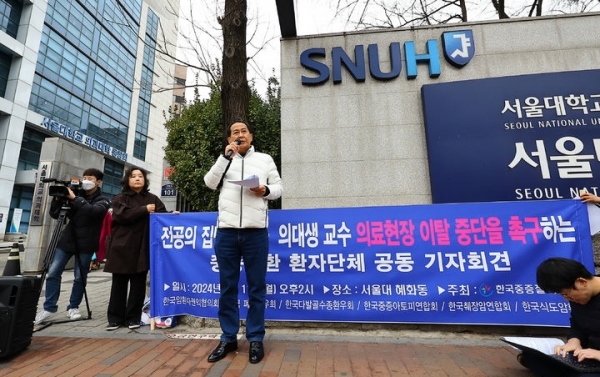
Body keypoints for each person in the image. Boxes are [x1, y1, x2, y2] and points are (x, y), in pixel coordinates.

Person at [203, 120, 283, 364]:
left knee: (257, 287)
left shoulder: (265, 159)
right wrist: (225, 158)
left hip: (255, 233)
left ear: (251, 135)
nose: (239, 135)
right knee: (227, 287)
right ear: (230, 139)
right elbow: (209, 182)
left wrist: (265, 189)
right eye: (235, 132)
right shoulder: (225, 159)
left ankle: (256, 338)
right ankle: (228, 337)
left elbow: (279, 187)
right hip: (226, 232)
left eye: (243, 131)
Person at [35, 168, 110, 324]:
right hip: (67, 240)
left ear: (99, 182)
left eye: (90, 178)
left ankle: (73, 307)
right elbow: (55, 215)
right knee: (53, 272)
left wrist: (75, 198)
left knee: (79, 277)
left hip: (87, 243)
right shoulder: (76, 193)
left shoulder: (102, 199)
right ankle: (49, 308)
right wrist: (57, 200)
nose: (86, 180)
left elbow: (93, 212)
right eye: (84, 177)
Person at [103, 167, 173, 330]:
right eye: (133, 176)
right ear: (127, 179)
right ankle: (114, 318)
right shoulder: (120, 198)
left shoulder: (152, 198)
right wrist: (144, 210)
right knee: (118, 284)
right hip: (121, 247)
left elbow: (162, 216)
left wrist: (172, 215)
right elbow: (122, 216)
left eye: (140, 176)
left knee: (138, 285)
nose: (137, 179)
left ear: (145, 180)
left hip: (142, 247)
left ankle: (133, 318)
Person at [518, 257, 600, 377]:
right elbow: (577, 325)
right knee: (532, 356)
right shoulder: (580, 297)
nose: (567, 299)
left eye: (566, 294)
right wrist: (574, 342)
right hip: (587, 356)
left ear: (582, 282)